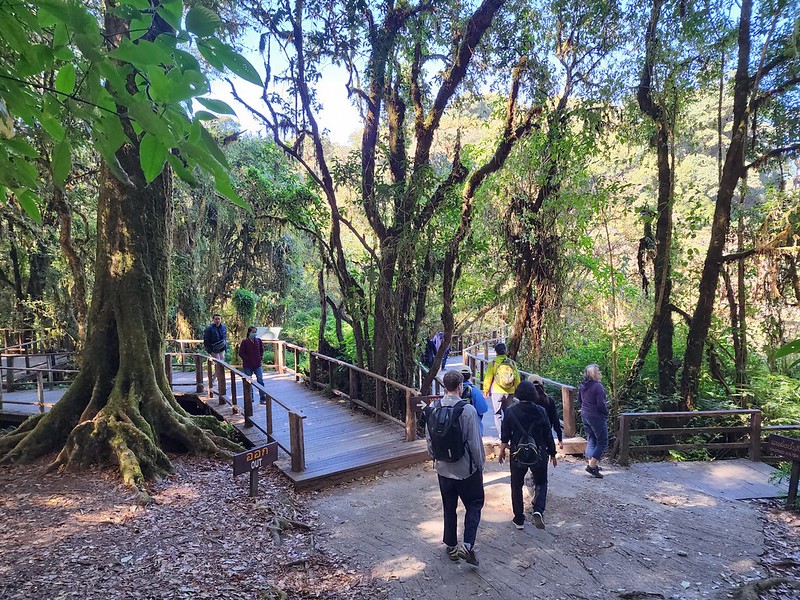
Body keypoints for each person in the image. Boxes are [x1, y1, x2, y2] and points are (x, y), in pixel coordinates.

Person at [425, 369, 485, 566]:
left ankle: (450, 545)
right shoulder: (467, 410)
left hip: (443, 469)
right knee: (474, 504)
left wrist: (435, 458)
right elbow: (475, 443)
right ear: (460, 387)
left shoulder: (433, 407)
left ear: (445, 387)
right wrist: (479, 465)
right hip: (465, 469)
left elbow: (429, 439)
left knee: (449, 507)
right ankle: (467, 545)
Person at [499, 380, 557, 530]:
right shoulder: (541, 411)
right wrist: (553, 453)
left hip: (518, 454)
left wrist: (501, 452)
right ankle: (538, 510)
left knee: (516, 485)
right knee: (541, 482)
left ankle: (519, 519)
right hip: (538, 453)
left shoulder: (511, 411)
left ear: (518, 394)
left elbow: (505, 435)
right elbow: (547, 435)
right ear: (534, 394)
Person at [482, 342, 520, 435]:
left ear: (496, 352)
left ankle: (501, 434)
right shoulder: (511, 362)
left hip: (497, 391)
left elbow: (488, 377)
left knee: (497, 413)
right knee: (509, 413)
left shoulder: (493, 363)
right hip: (510, 391)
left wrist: (486, 390)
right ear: (505, 351)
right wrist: (517, 389)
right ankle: (509, 433)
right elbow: (517, 378)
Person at [579, 363, 608, 478]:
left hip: (585, 413)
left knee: (591, 439)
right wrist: (605, 412)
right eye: (598, 371)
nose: (600, 372)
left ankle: (592, 462)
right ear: (594, 375)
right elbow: (601, 403)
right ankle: (591, 466)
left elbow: (580, 400)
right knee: (602, 441)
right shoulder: (598, 387)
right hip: (595, 415)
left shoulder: (583, 385)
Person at [528, 374, 564, 451]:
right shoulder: (549, 401)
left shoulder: (525, 402)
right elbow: (555, 420)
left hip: (528, 435)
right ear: (542, 385)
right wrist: (560, 438)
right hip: (545, 433)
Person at [238, 326, 268, 404]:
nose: (254, 333)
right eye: (253, 332)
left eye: (255, 332)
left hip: (257, 364)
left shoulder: (258, 341)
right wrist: (247, 359)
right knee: (248, 381)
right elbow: (241, 352)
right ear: (249, 332)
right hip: (248, 365)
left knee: (260, 380)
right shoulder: (245, 342)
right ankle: (250, 398)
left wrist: (260, 357)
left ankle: (262, 397)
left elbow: (262, 350)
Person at [460, 366, 489, 435]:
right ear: (470, 375)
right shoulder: (474, 390)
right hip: (473, 424)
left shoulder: (454, 390)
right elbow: (483, 409)